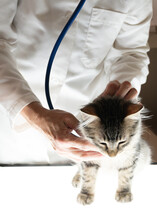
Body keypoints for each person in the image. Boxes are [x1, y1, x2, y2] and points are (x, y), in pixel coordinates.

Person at [0, 0, 152, 165]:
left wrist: (121, 96)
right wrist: (35, 114)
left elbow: (130, 52)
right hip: (11, 132)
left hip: (86, 143)